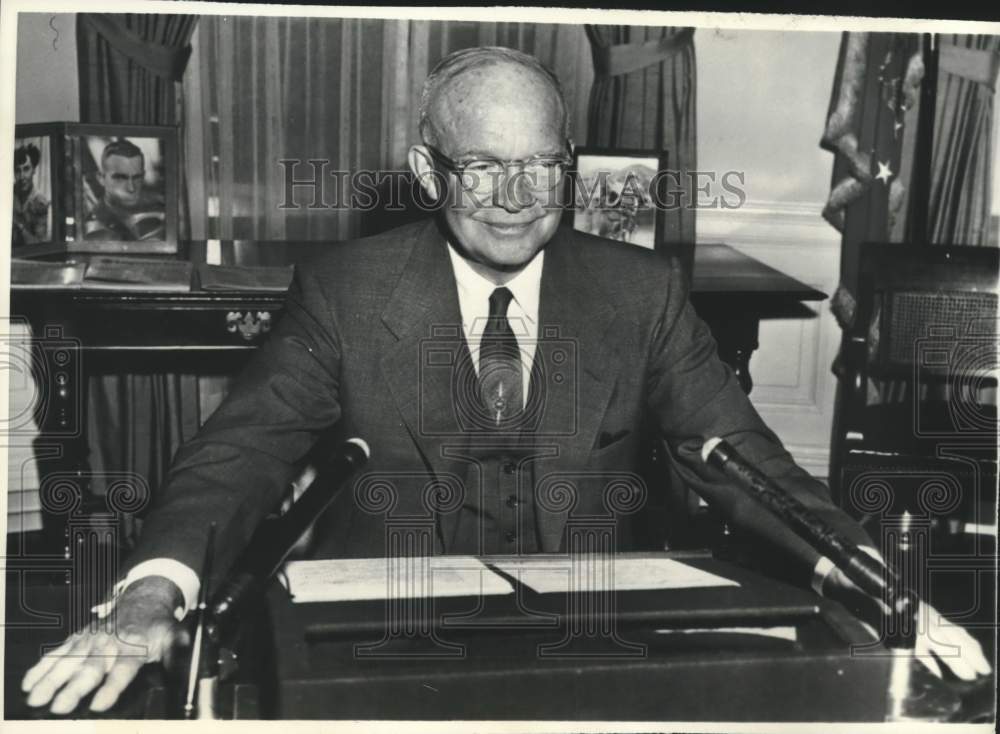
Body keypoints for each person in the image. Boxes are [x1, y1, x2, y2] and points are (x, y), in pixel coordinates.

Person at [23, 46, 989, 716]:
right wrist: (149, 599)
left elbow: (746, 462)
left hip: (595, 649)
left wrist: (877, 580)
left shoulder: (640, 293)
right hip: (378, 649)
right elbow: (235, 458)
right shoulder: (347, 292)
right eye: (484, 166)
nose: (519, 198)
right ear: (427, 170)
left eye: (542, 165)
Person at [84, 139, 165, 241]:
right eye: (120, 178)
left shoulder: (160, 208)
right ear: (101, 178)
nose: (131, 188)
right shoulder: (95, 231)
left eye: (137, 177)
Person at [12, 143, 50, 246]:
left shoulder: (40, 202)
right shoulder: (5, 195)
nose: (22, 176)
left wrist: (19, 226)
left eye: (26, 169)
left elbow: (39, 245)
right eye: (17, 170)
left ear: (34, 170)